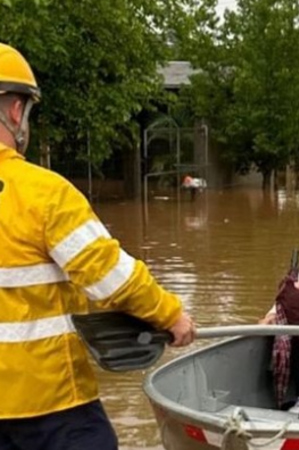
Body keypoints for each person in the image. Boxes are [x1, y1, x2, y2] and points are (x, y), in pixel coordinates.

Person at [0, 42, 196, 450]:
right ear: (15, 110)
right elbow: (113, 279)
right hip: (51, 404)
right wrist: (172, 315)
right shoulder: (44, 194)